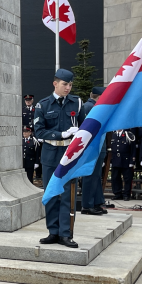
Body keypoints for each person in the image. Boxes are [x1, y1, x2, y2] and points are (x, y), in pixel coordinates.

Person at [32, 68, 82, 248]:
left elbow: (84, 127)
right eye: (64, 84)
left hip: (69, 155)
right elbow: (39, 132)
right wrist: (62, 134)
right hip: (51, 153)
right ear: (55, 84)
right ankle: (53, 231)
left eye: (70, 84)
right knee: (52, 193)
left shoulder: (76, 103)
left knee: (68, 195)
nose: (68, 88)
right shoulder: (43, 105)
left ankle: (66, 234)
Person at [79, 86, 108, 215]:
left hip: (98, 146)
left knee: (96, 176)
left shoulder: (96, 106)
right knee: (90, 176)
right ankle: (87, 205)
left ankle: (96, 202)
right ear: (99, 96)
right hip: (92, 147)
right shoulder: (89, 107)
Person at [110, 129, 137, 201]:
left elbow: (133, 149)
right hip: (116, 160)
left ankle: (126, 194)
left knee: (127, 178)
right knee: (115, 178)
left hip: (126, 160)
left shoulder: (129, 135)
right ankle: (117, 193)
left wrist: (132, 161)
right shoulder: (113, 134)